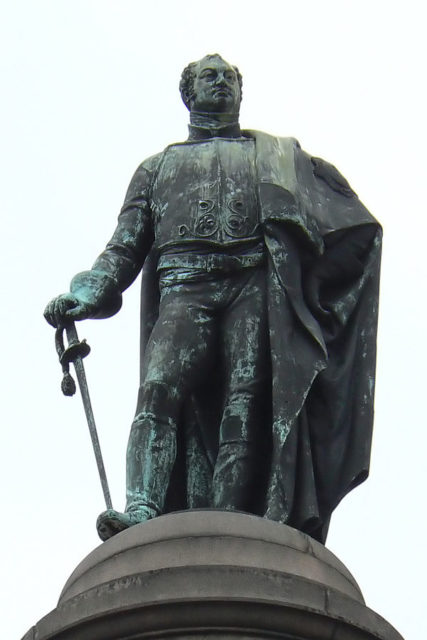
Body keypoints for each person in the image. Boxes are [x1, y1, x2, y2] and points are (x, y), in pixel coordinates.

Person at [44, 54, 381, 544]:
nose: (221, 82)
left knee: (244, 404)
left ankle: (229, 520)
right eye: (209, 76)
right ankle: (141, 507)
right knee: (159, 388)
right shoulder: (158, 167)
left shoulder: (277, 156)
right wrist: (85, 293)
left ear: (241, 92)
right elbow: (123, 247)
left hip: (251, 285)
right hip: (185, 284)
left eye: (229, 77)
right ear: (189, 93)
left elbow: (341, 217)